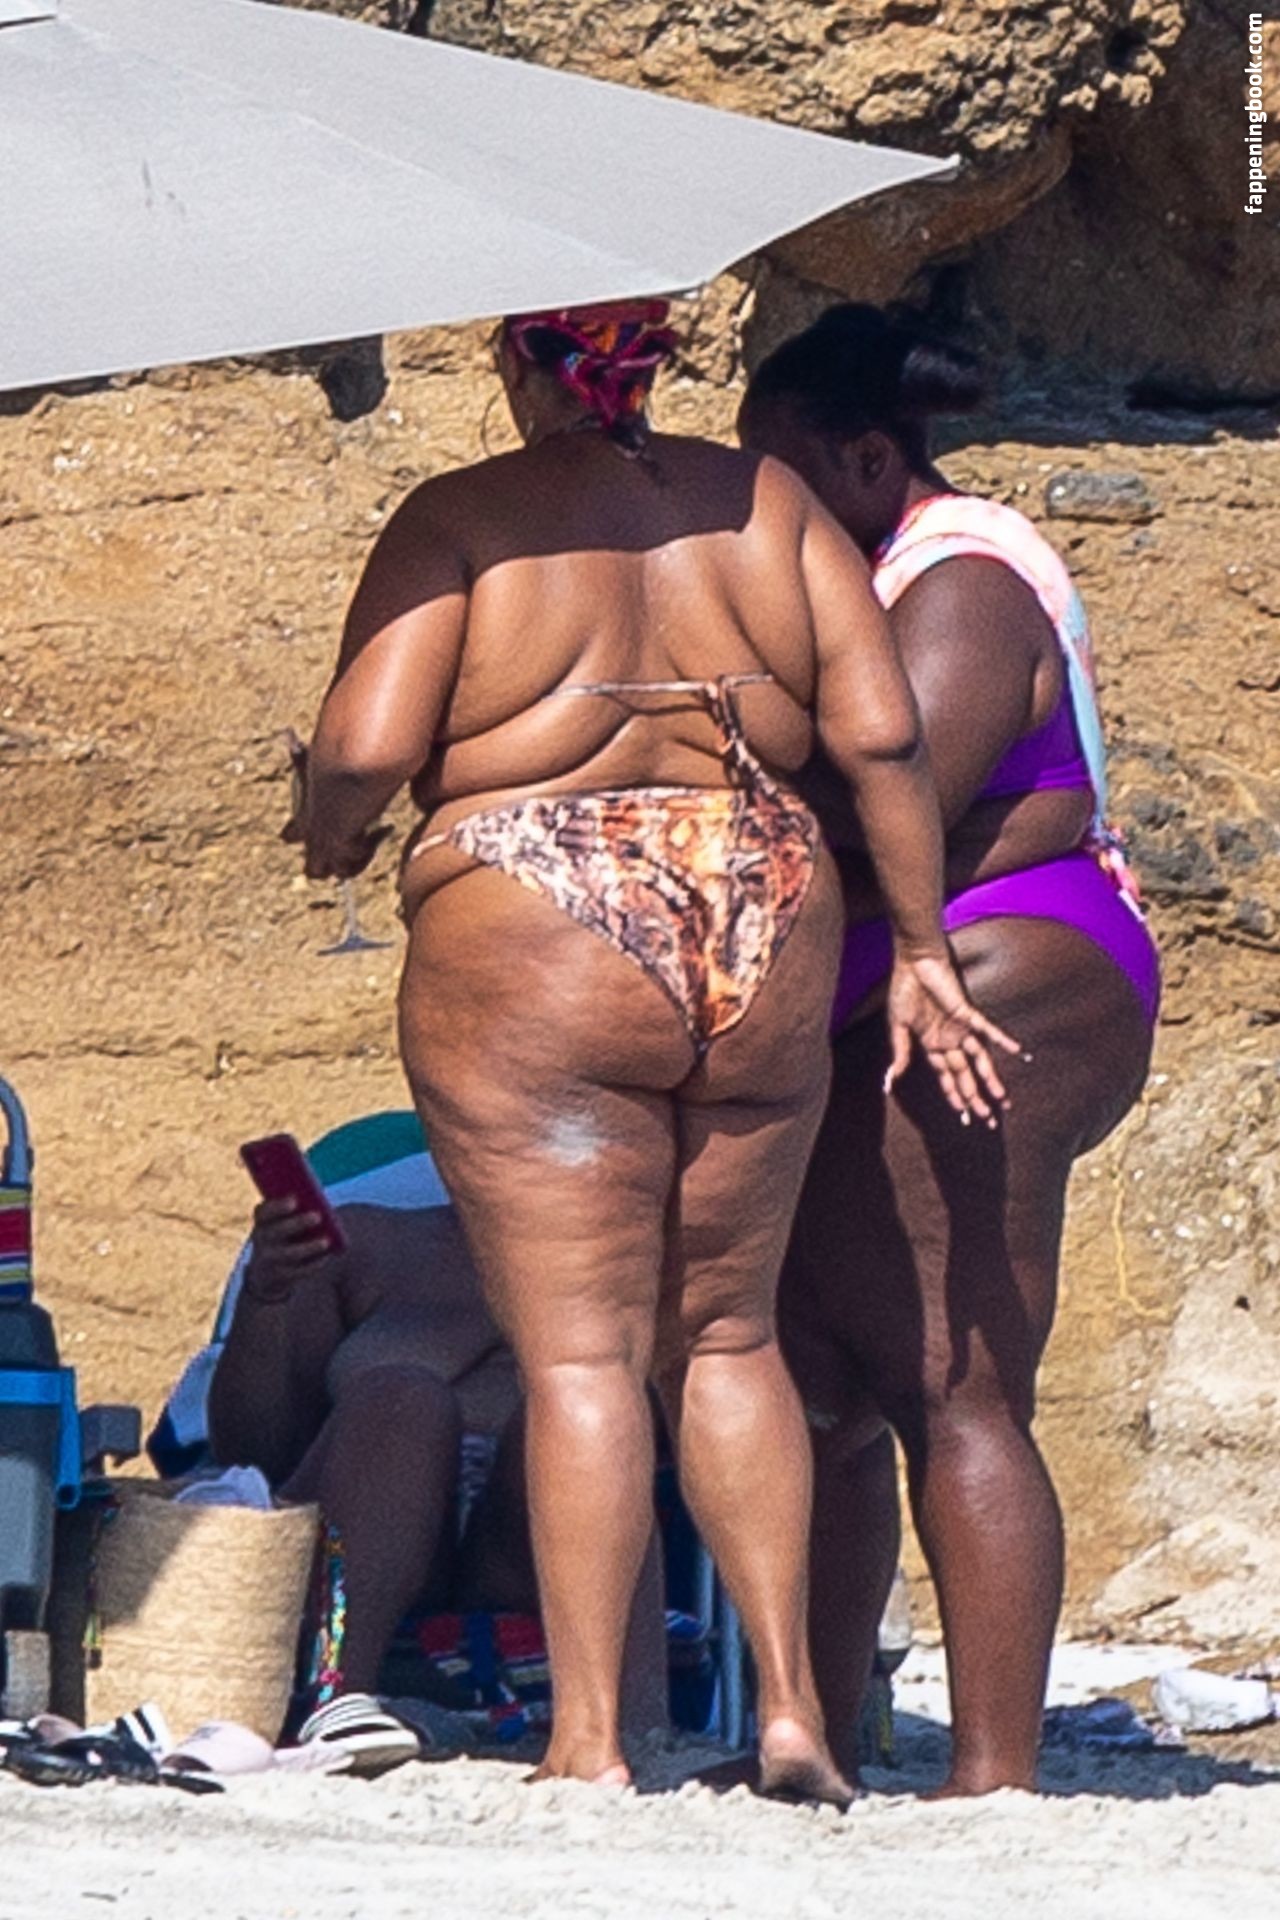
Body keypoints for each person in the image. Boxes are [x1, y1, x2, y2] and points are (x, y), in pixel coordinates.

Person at [291, 300, 1017, 1799]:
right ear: (661, 360)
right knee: (729, 1336)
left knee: (580, 1356)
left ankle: (591, 1740)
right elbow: (882, 739)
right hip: (764, 909)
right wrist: (921, 950)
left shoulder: (461, 517)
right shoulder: (773, 507)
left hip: (542, 915)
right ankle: (794, 1710)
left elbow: (365, 748)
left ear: (518, 365)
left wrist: (329, 826)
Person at [739, 305, 1160, 1796]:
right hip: (925, 974)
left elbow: (881, 806)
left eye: (781, 478)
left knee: (949, 1376)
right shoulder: (888, 576)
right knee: (831, 1375)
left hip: (999, 980)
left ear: (869, 458)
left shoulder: (962, 580)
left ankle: (993, 1774)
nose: (761, 515)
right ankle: (827, 1734)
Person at [149, 1114, 535, 1771]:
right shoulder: (367, 1246)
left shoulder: (626, 1266)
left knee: (570, 1418)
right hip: (358, 1531)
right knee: (403, 1402)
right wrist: (267, 1295)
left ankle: (629, 1720)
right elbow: (255, 1455)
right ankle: (337, 1694)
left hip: (519, 1552)